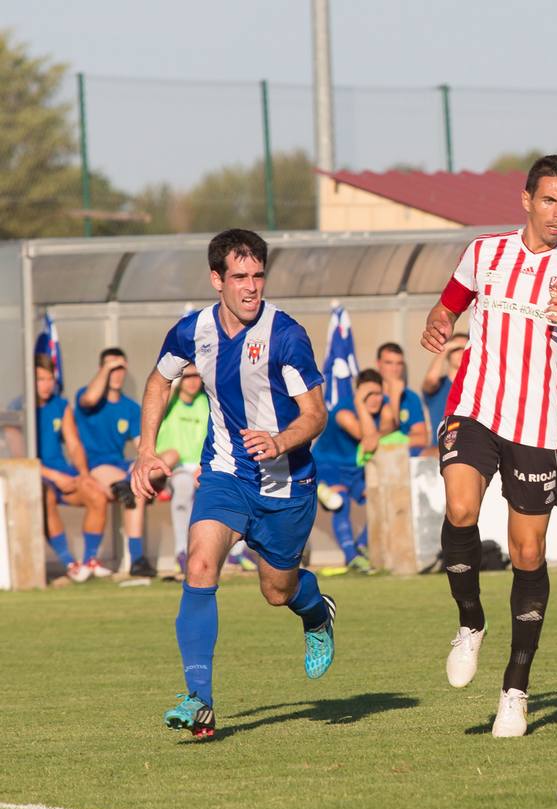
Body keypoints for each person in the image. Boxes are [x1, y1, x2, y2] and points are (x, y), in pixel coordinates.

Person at [420, 154, 557, 738]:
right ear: (526, 200)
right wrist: (437, 320)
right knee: (460, 508)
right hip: (474, 408)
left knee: (526, 553)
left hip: (534, 427)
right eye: (550, 200)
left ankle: (515, 691)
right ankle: (470, 622)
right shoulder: (485, 253)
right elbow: (448, 303)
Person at [131, 228, 337, 740]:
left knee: (277, 589)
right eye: (240, 276)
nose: (251, 287)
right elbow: (160, 380)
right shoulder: (192, 332)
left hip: (286, 484)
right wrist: (146, 448)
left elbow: (316, 414)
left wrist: (280, 439)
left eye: (258, 276)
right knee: (199, 564)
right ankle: (199, 701)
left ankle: (316, 611)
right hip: (225, 472)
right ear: (216, 280)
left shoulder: (285, 335)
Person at [28, 354, 112, 583]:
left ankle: (89, 562)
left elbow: (74, 444)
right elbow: (19, 459)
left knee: (96, 493)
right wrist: (53, 476)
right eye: (40, 379)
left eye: (49, 379)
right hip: (36, 476)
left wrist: (84, 474)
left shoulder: (60, 405)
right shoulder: (19, 409)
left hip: (63, 472)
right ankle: (69, 564)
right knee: (44, 497)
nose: (46, 385)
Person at [73, 347, 153, 577]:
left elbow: (142, 446)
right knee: (131, 488)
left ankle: (136, 561)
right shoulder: (85, 396)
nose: (116, 374)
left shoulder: (130, 407)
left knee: (136, 484)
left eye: (120, 368)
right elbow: (90, 398)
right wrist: (107, 367)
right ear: (101, 370)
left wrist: (146, 468)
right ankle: (95, 559)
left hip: (119, 467)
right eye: (111, 368)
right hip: (93, 468)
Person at [312, 368, 387, 575]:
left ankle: (362, 546)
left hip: (355, 470)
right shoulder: (344, 411)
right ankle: (351, 557)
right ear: (358, 394)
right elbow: (367, 439)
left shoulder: (383, 408)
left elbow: (392, 427)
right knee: (339, 502)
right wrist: (359, 405)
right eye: (368, 395)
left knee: (378, 501)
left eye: (377, 394)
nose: (374, 399)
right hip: (328, 466)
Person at [156, 364, 211, 579]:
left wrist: (203, 466)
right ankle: (182, 551)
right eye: (187, 376)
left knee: (227, 485)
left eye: (197, 375)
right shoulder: (170, 402)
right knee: (183, 485)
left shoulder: (205, 403)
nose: (193, 380)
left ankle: (235, 551)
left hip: (200, 468)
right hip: (171, 470)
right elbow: (160, 397)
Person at [377, 342, 430, 456]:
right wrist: (395, 396)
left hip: (408, 455)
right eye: (389, 363)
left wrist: (390, 442)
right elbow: (374, 438)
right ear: (378, 364)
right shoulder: (372, 396)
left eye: (399, 363)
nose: (394, 369)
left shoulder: (411, 397)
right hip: (379, 458)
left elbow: (422, 439)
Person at [419, 332, 468, 434]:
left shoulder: (475, 387)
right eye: (456, 349)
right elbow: (431, 380)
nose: (461, 352)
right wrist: (444, 349)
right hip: (440, 447)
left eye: (465, 348)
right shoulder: (439, 386)